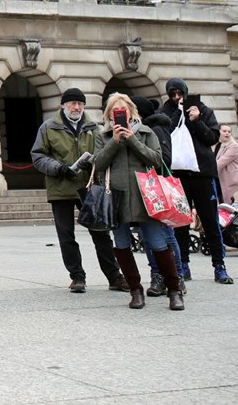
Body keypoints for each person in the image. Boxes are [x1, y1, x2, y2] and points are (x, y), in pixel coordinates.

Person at [30, 87, 126, 293]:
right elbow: (37, 156)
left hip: (89, 187)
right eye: (73, 103)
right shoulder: (48, 127)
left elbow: (103, 152)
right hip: (60, 187)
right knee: (66, 235)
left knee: (100, 232)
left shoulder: (94, 127)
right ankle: (77, 276)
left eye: (80, 104)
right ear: (63, 105)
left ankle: (114, 276)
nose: (77, 107)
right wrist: (59, 168)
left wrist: (93, 162)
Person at [93, 94, 184, 311]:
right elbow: (97, 163)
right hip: (116, 196)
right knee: (122, 244)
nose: (120, 113)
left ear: (131, 111)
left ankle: (174, 289)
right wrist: (115, 141)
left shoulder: (146, 132)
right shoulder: (103, 136)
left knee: (158, 243)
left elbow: (156, 159)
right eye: (116, 110)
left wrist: (131, 139)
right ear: (109, 114)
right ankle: (135, 290)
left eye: (124, 109)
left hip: (147, 196)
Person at [158, 78, 233, 284]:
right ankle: (183, 265)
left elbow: (211, 138)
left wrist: (197, 119)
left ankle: (219, 266)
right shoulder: (165, 112)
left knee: (210, 220)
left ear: (186, 92)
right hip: (178, 175)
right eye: (172, 94)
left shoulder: (203, 110)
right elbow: (164, 134)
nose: (177, 98)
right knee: (180, 222)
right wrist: (177, 114)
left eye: (180, 93)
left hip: (202, 174)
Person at [129, 95, 184, 298]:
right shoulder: (139, 129)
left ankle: (175, 277)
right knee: (151, 237)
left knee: (166, 237)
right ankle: (159, 276)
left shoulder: (156, 129)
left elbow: (164, 159)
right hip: (146, 190)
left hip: (157, 189)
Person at [217, 125, 238, 204]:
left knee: (232, 209)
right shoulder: (220, 145)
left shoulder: (234, 146)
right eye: (224, 131)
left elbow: (220, 163)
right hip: (222, 182)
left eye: (229, 132)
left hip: (232, 183)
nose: (227, 133)